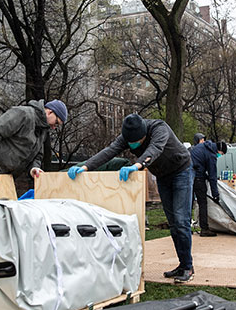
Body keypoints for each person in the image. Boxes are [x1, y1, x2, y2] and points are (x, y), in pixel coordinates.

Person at [69, 114, 195, 282]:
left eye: (136, 142)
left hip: (182, 171)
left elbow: (155, 149)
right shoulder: (128, 136)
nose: (132, 145)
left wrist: (137, 165)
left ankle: (188, 267)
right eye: (129, 143)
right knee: (173, 223)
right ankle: (182, 264)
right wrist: (85, 166)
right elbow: (109, 151)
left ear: (144, 135)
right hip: (163, 176)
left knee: (181, 221)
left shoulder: (159, 128)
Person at [0, 99, 67, 188]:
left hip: (4, 180)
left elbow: (37, 155)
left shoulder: (43, 131)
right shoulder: (22, 114)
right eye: (56, 122)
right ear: (49, 112)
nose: (54, 127)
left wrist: (34, 168)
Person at [190, 132, 221, 236]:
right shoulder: (211, 154)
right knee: (202, 203)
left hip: (187, 177)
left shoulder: (199, 148)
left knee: (188, 204)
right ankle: (204, 228)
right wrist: (215, 194)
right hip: (198, 179)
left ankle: (185, 228)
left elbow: (198, 163)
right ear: (219, 150)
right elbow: (213, 176)